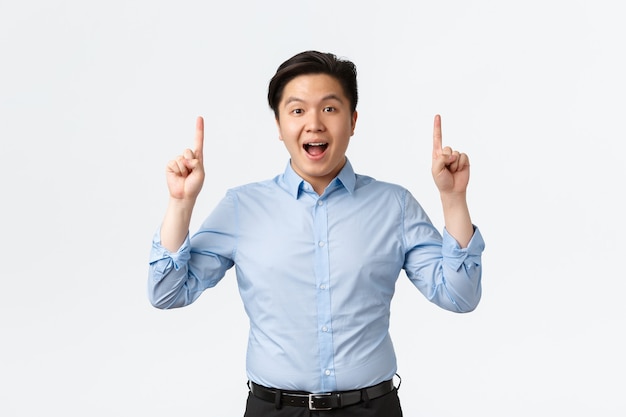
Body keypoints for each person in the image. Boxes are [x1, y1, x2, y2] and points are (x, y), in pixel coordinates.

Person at [148, 50, 485, 416]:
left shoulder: (394, 205)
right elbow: (167, 293)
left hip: (371, 408)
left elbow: (459, 297)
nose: (314, 124)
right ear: (278, 125)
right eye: (297, 110)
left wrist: (453, 199)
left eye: (329, 108)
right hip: (274, 409)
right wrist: (180, 204)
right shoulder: (242, 207)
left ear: (353, 121)